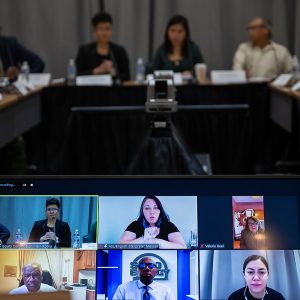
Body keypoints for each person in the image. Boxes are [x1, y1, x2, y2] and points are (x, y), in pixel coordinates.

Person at [76, 12, 130, 82]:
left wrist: (113, 72)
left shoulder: (119, 51)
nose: (105, 33)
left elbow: (127, 77)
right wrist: (97, 70)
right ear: (94, 31)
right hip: (90, 91)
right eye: (101, 29)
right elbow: (76, 77)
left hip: (114, 92)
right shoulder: (84, 51)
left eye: (108, 29)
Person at [119, 196, 187, 249]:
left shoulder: (168, 225)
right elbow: (119, 246)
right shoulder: (135, 225)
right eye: (147, 208)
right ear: (142, 211)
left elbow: (182, 247)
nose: (152, 212)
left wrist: (157, 242)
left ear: (160, 210)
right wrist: (144, 239)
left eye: (155, 208)